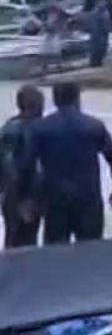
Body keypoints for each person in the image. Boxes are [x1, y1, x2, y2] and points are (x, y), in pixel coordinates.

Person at [26, 82, 112, 244]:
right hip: (88, 201)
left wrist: (29, 199)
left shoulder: (39, 128)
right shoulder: (94, 126)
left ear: (55, 100)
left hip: (55, 202)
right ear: (77, 98)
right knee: (91, 255)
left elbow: (27, 167)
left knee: (56, 257)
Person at [0, 85, 45, 248]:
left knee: (19, 241)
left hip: (18, 195)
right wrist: (21, 200)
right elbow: (9, 167)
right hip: (21, 196)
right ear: (33, 104)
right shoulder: (18, 129)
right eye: (41, 102)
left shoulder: (10, 127)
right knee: (19, 242)